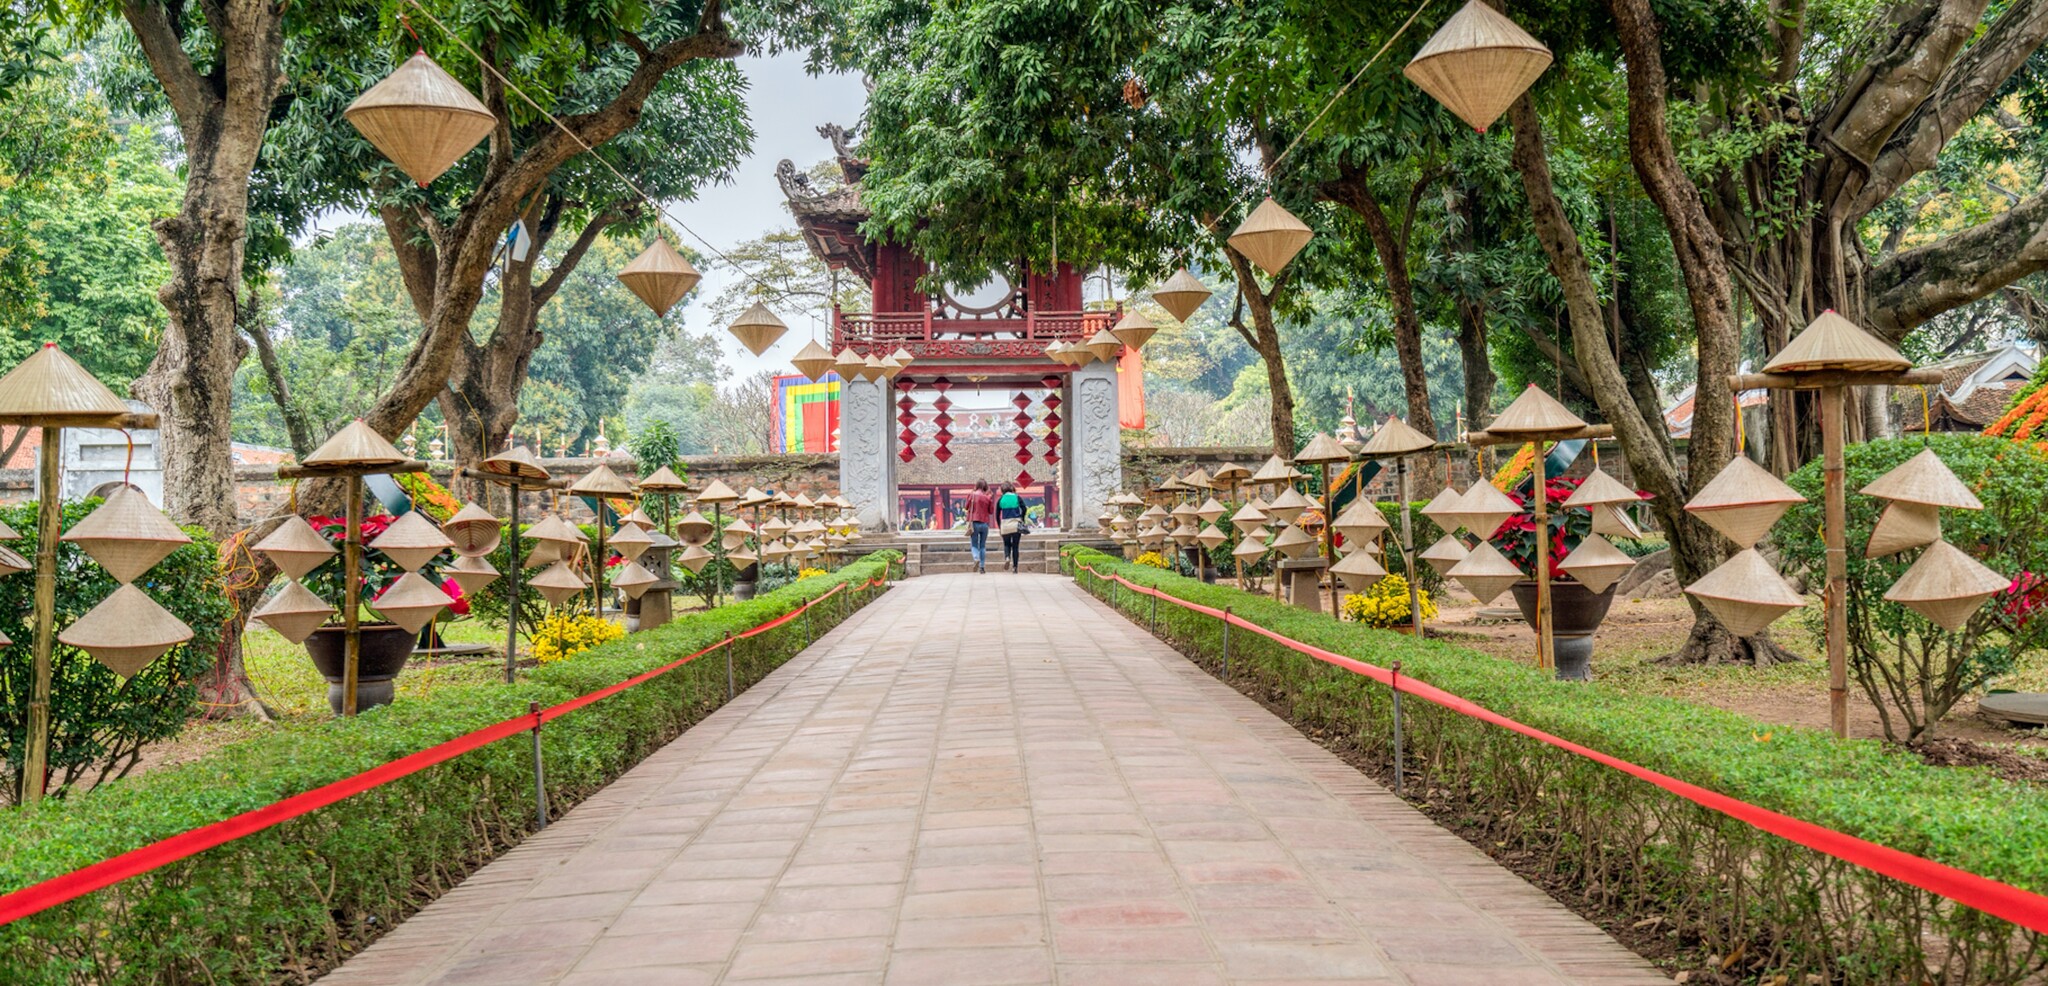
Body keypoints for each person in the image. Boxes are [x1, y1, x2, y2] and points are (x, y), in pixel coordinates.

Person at [962, 480, 995, 574]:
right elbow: (991, 511)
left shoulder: (972, 495)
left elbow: (966, 507)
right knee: (983, 545)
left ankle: (976, 558)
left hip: (974, 523)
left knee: (974, 544)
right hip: (984, 523)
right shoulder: (987, 497)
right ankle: (982, 567)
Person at [996, 482, 1027, 572]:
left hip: (1005, 525)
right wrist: (1022, 518)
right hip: (1016, 524)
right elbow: (1024, 508)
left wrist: (999, 526)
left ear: (1002, 490)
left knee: (1006, 544)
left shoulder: (1000, 499)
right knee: (1015, 546)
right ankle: (1015, 567)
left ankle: (1007, 557)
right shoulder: (1017, 497)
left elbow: (997, 515)